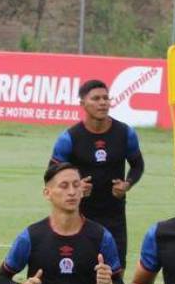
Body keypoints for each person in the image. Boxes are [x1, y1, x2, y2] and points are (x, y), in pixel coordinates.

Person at [50, 79, 144, 262]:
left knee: (116, 281)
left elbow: (137, 165)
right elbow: (51, 174)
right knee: (82, 273)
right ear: (82, 104)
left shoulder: (126, 134)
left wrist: (128, 184)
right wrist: (76, 187)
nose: (102, 102)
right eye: (96, 98)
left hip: (114, 215)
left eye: (105, 98)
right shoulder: (69, 138)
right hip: (79, 215)